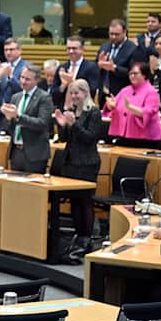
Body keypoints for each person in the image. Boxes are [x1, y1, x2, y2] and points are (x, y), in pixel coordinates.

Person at [54, 78, 106, 263]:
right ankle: (78, 235)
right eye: (72, 93)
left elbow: (90, 138)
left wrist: (74, 123)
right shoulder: (72, 111)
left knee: (85, 202)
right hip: (71, 162)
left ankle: (86, 238)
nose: (74, 96)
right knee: (75, 202)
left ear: (86, 93)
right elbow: (65, 138)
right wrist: (64, 125)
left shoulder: (93, 112)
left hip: (87, 163)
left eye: (77, 92)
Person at [1, 65, 52, 173]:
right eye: (22, 77)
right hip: (16, 151)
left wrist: (18, 117)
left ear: (37, 80)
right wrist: (7, 117)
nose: (23, 81)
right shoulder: (16, 97)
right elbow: (9, 127)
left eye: (27, 79)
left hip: (35, 154)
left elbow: (42, 123)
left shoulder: (44, 97)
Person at [102, 62, 161, 148]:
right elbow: (114, 107)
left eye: (135, 73)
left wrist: (130, 108)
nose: (132, 76)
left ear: (144, 75)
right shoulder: (125, 90)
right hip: (124, 135)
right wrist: (110, 106)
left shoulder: (151, 92)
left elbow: (149, 112)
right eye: (130, 73)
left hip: (145, 139)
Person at [96, 19, 147, 102]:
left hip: (123, 95)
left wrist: (114, 68)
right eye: (111, 34)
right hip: (104, 95)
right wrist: (99, 65)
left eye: (117, 34)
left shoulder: (133, 49)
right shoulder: (104, 47)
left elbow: (134, 73)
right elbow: (96, 68)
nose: (113, 37)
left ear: (124, 32)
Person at [0, 38, 28, 133]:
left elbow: (24, 90)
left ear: (19, 50)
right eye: (6, 50)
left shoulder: (26, 67)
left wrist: (10, 77)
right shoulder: (1, 66)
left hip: (16, 115)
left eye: (11, 49)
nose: (8, 52)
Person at [52, 36, 101, 108]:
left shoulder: (91, 67)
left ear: (82, 49)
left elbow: (92, 91)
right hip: (63, 110)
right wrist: (63, 85)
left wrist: (72, 82)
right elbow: (53, 94)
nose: (71, 51)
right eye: (69, 48)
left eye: (74, 48)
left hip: (83, 110)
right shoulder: (62, 68)